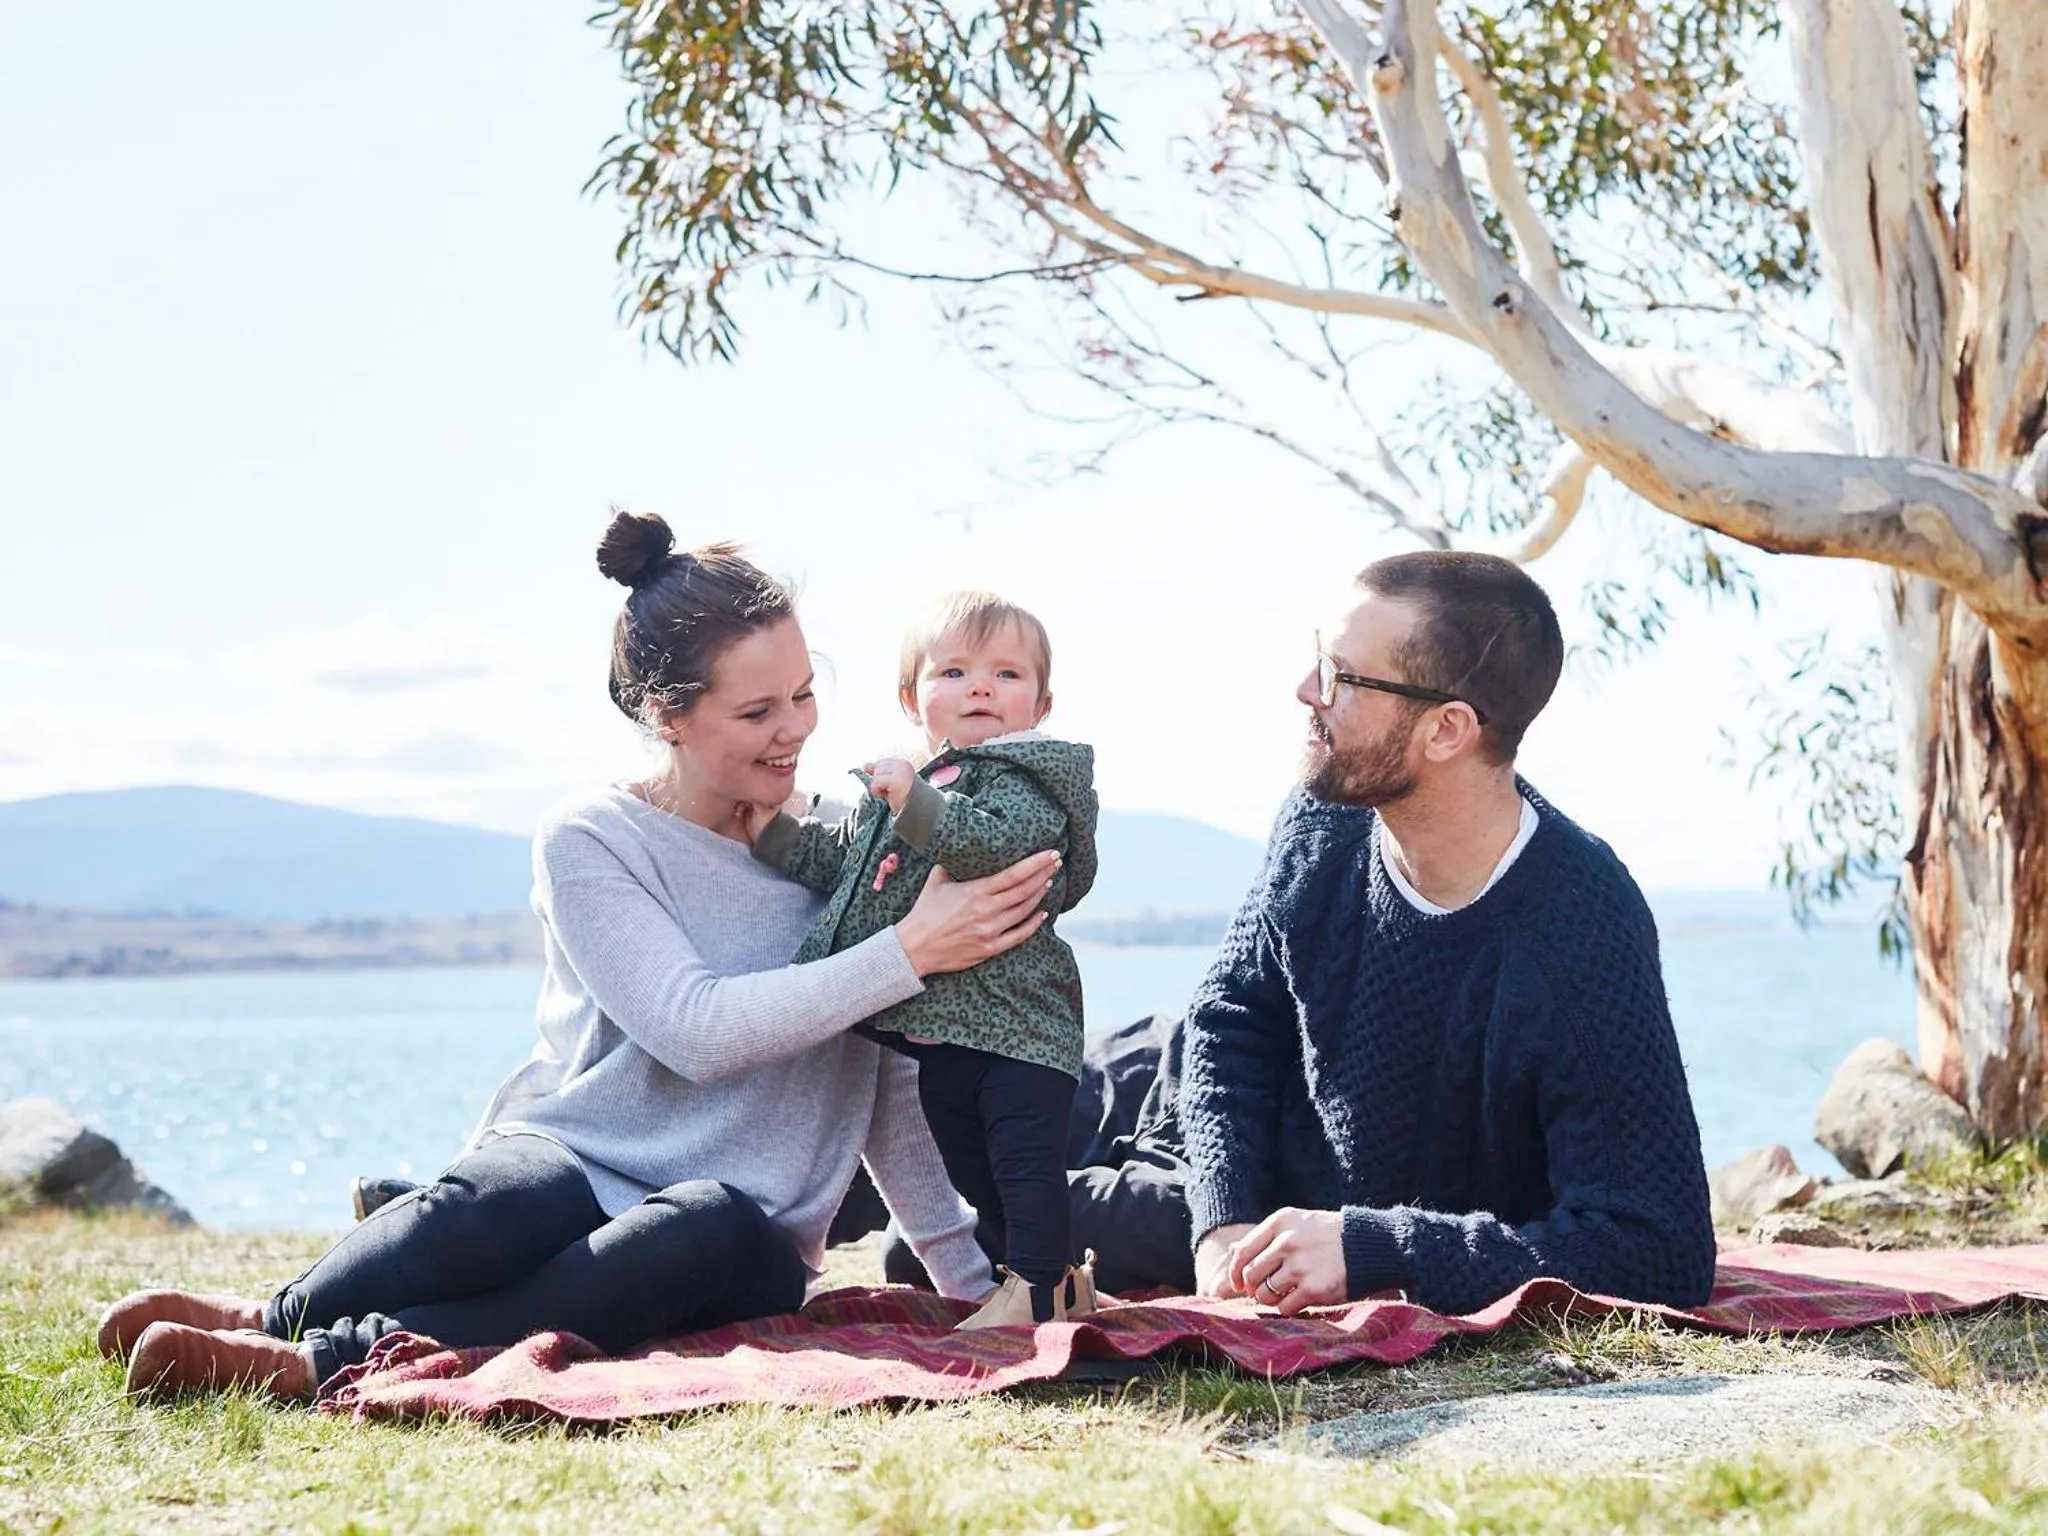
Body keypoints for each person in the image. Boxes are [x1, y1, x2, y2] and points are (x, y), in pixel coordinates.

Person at [96, 511, 1061, 1402]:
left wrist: (974, 1284)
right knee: (501, 1200)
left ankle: (315, 1361)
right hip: (583, 1156)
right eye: (758, 710)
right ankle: (271, 1317)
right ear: (669, 716)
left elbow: (885, 1079)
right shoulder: (592, 837)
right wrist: (908, 948)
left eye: (805, 695)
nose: (796, 729)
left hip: (742, 1230)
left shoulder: (852, 845)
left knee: (696, 1225)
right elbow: (697, 1030)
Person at [1184, 550, 1717, 1317]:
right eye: (1316, 661)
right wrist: (1222, 1219)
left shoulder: (1583, 922)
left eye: (1340, 677)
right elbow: (1230, 1018)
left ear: (1447, 730)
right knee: (999, 1165)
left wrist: (1374, 1249)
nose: (1306, 692)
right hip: (1195, 1129)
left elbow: (1660, 1248)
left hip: (1311, 1217)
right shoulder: (1320, 822)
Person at [752, 592, 1100, 1328]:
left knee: (1023, 1165)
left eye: (1007, 674)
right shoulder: (911, 786)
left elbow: (992, 844)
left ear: (1041, 703)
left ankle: (1039, 1291)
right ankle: (1038, 1282)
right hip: (946, 1038)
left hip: (1022, 1029)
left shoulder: (1030, 778)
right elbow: (845, 866)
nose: (981, 687)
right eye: (955, 672)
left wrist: (914, 803)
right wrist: (772, 837)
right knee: (973, 1169)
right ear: (913, 700)